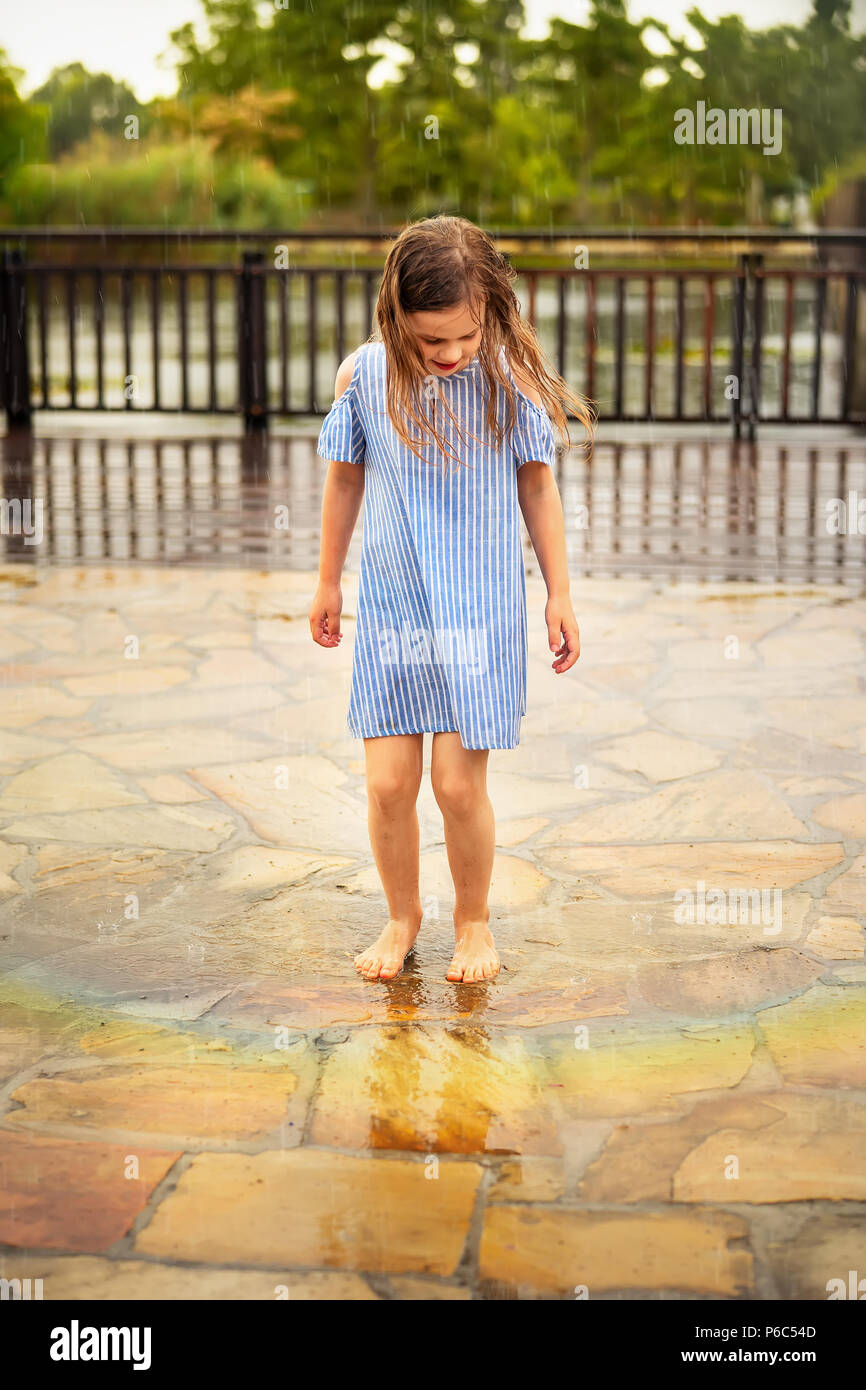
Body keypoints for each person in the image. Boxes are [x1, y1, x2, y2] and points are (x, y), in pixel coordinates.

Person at [309, 215, 595, 984]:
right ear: (393, 315)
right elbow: (344, 477)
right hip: (397, 607)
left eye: (463, 336)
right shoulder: (364, 378)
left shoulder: (506, 382)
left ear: (492, 312)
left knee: (457, 785)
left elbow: (538, 484)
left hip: (478, 609)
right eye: (428, 338)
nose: (448, 353)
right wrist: (329, 577)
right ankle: (403, 916)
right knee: (389, 783)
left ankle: (474, 921)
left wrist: (559, 592)